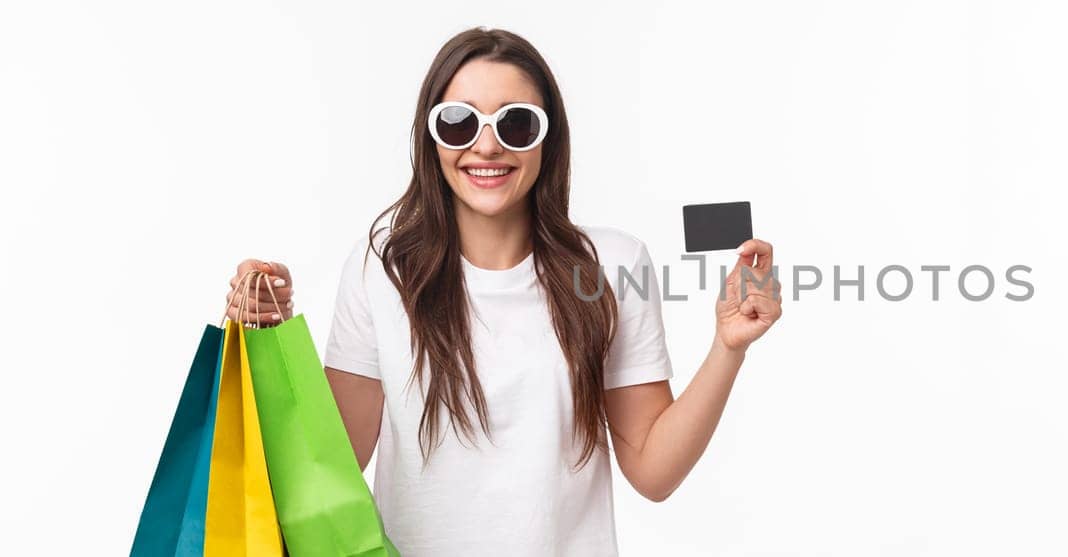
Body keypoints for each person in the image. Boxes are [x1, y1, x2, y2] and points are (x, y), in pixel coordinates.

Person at [222, 27, 782, 556]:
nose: (486, 147)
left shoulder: (610, 265)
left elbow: (654, 473)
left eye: (515, 124)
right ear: (431, 137)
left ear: (547, 139)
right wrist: (267, 339)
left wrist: (728, 348)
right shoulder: (383, 267)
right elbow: (329, 469)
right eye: (459, 123)